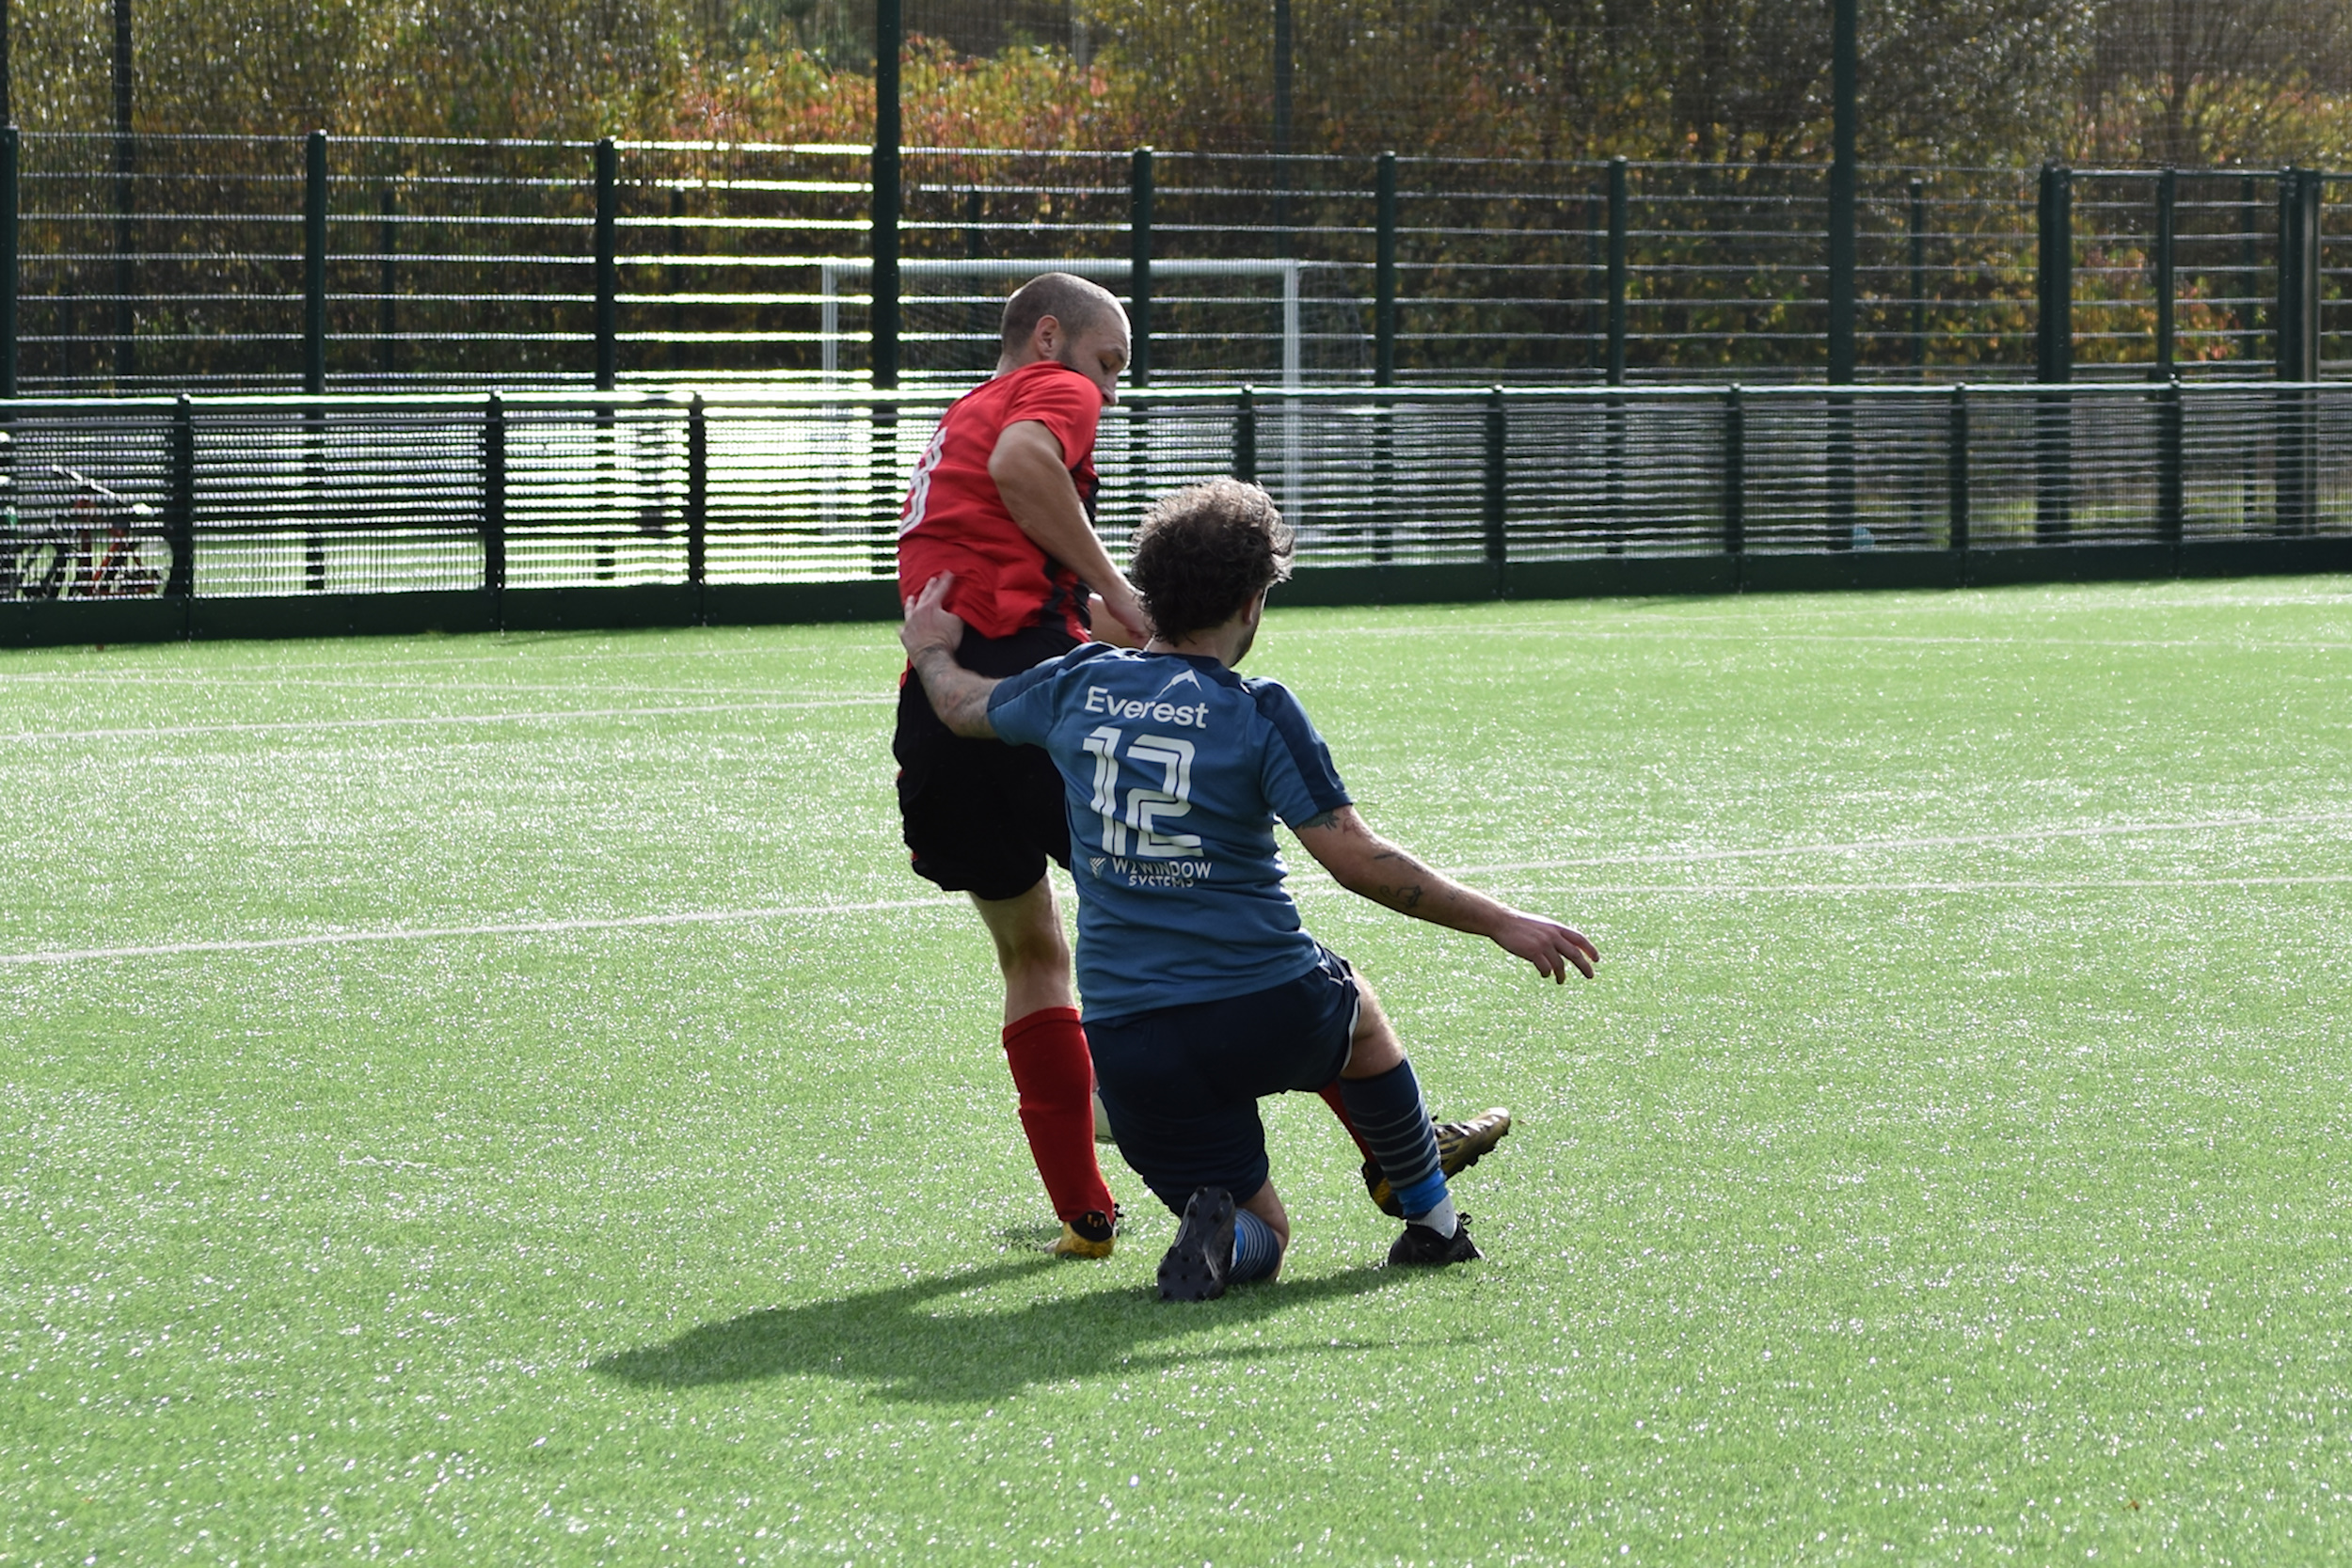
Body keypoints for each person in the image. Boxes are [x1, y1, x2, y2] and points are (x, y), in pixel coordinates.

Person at [894, 275, 1508, 1261]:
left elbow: (1013, 593)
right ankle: (1401, 1156)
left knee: (1032, 953)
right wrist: (1124, 597)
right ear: (1049, 337)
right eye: (1109, 363)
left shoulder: (949, 422)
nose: (1108, 390)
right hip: (1046, 691)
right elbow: (1028, 471)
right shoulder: (1047, 394)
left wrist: (938, 653)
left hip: (948, 702)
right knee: (1229, 931)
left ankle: (1084, 1208)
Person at [898, 479, 1598, 1297]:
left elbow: (959, 707)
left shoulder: (1076, 685)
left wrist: (933, 646)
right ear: (1252, 602)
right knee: (1359, 1012)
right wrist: (1500, 920)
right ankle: (1435, 1228)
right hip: (1268, 1004)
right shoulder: (1259, 710)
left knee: (1268, 1228)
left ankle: (1227, 1239)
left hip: (1129, 1041)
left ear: (1149, 592)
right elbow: (1358, 860)